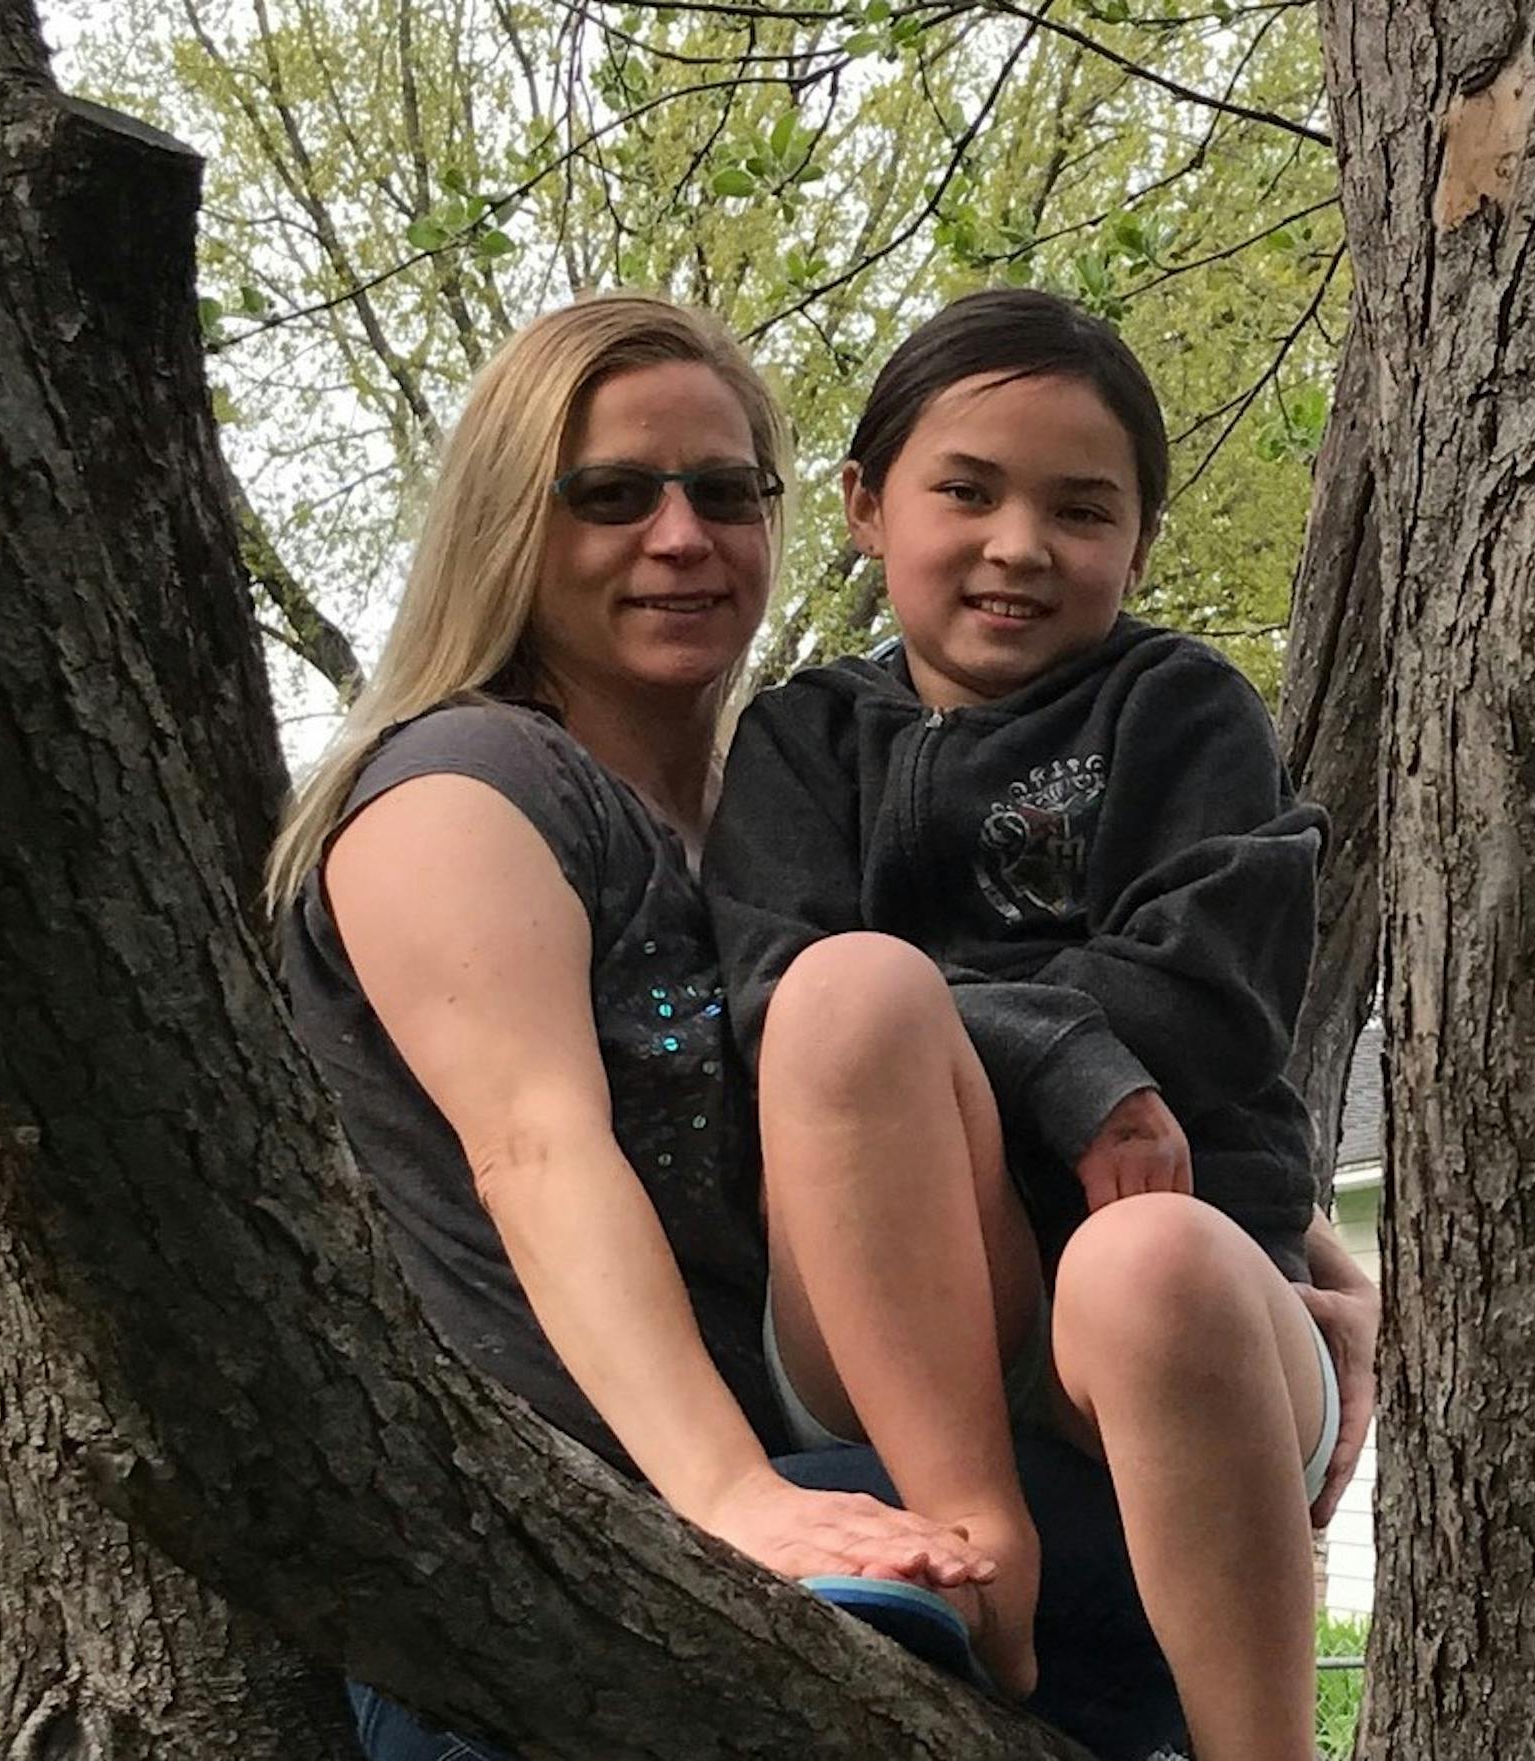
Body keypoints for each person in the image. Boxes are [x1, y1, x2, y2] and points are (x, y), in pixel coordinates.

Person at [263, 291, 1233, 1761]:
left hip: (845, 1548)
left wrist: (1262, 1263)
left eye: (725, 492)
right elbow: (534, 1146)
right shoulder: (459, 786)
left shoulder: (779, 822)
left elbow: (976, 1059)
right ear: (507, 519)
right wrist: (731, 1496)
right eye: (610, 495)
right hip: (566, 1581)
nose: (680, 536)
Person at [704, 287, 1377, 1761]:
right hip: (885, 1293)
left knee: (1143, 1260)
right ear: (869, 505)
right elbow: (775, 1009)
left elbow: (1212, 996)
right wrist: (1054, 1053)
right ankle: (979, 1540)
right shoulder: (800, 742)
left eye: (1082, 509)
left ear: (1137, 542)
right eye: (968, 490)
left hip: (1194, 1304)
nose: (1021, 545)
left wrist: (1022, 1044)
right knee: (846, 993)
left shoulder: (1185, 711)